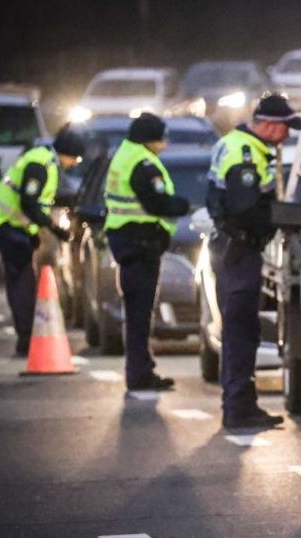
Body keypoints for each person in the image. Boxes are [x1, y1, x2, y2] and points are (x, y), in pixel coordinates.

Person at [206, 93, 301, 429]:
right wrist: (280, 218)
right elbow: (244, 207)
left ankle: (242, 405)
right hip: (238, 248)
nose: (287, 136)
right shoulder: (245, 152)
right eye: (285, 128)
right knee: (240, 330)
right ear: (268, 124)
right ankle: (238, 408)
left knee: (242, 329)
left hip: (238, 248)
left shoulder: (243, 146)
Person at [103, 113, 191, 391]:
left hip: (128, 242)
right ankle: (140, 374)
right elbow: (156, 203)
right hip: (140, 244)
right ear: (150, 138)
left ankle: (140, 371)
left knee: (136, 314)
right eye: (162, 137)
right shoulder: (143, 164)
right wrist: (182, 205)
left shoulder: (124, 155)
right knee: (140, 315)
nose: (165, 143)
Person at [0, 127, 83, 355]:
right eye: (75, 158)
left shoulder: (45, 162)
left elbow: (32, 206)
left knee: (24, 279)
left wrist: (33, 232)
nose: (74, 164)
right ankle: (26, 337)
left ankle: (27, 333)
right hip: (5, 224)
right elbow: (29, 204)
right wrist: (54, 229)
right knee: (21, 280)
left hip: (13, 226)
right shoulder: (40, 165)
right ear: (66, 153)